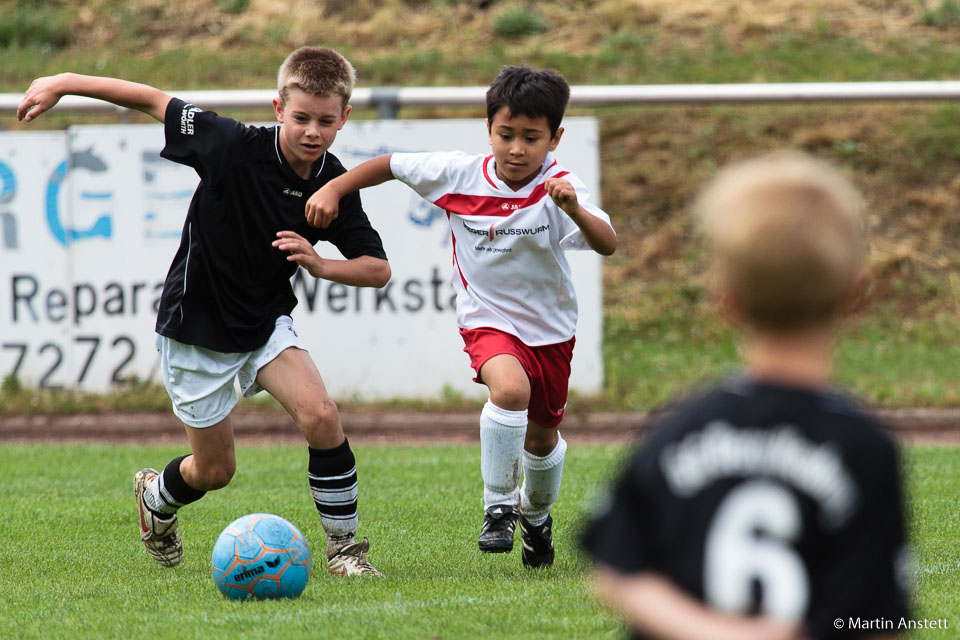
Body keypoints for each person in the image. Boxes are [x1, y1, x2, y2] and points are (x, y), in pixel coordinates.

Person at [18, 46, 391, 576]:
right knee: (216, 471)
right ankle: (156, 499)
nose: (313, 131)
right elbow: (151, 98)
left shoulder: (333, 183)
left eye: (326, 121)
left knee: (322, 416)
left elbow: (378, 268)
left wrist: (319, 264)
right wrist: (62, 79)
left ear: (344, 118)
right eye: (302, 117)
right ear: (278, 108)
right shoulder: (231, 144)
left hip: (264, 325)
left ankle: (345, 553)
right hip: (196, 327)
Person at [581, 152, 910, 639]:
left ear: (725, 295)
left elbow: (618, 572)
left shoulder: (679, 427)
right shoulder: (866, 448)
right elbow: (877, 620)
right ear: (856, 292)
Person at [301, 64, 617, 569]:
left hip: (551, 330)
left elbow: (608, 243)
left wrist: (575, 209)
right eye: (505, 134)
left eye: (531, 138)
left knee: (542, 438)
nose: (516, 149)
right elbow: (388, 164)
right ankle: (497, 508)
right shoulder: (459, 173)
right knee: (509, 391)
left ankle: (535, 516)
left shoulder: (560, 188)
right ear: (488, 129)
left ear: (555, 138)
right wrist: (334, 189)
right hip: (486, 318)